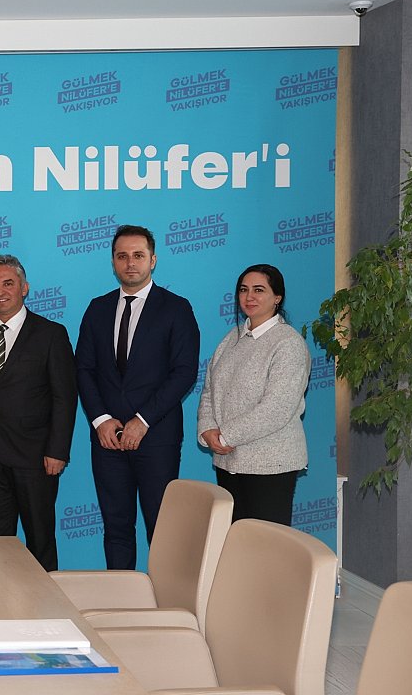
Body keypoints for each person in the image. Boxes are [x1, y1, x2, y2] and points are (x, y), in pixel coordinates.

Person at [75, 224, 199, 570]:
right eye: (122, 256)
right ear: (113, 261)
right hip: (107, 439)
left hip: (156, 437)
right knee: (116, 528)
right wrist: (100, 420)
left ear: (153, 260)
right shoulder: (97, 308)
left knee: (161, 529)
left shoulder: (176, 308)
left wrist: (142, 420)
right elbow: (83, 369)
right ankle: (119, 596)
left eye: (138, 255)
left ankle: (164, 599)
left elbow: (184, 372)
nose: (130, 263)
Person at [0, 255, 77, 571]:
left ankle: (47, 602)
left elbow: (64, 397)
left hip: (35, 458)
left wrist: (57, 450)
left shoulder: (51, 334)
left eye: (8, 283)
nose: (0, 292)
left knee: (40, 541)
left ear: (24, 288)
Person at [197, 264, 309, 525]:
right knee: (235, 540)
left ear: (277, 297)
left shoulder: (288, 343)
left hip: (270, 465)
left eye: (259, 290)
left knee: (266, 543)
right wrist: (207, 428)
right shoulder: (232, 337)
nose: (249, 297)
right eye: (243, 290)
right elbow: (210, 389)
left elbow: (277, 408)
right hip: (229, 461)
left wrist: (225, 435)